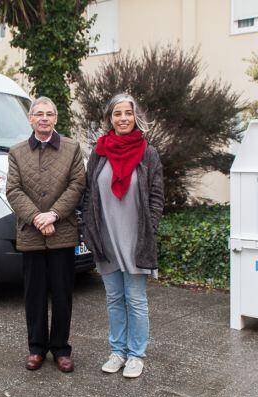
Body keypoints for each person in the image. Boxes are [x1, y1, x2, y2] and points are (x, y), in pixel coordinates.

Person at [81, 93, 164, 378]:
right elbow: (89, 192)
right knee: (114, 298)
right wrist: (89, 229)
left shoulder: (147, 152)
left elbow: (156, 196)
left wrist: (149, 231)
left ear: (135, 116)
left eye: (128, 113)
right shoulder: (99, 152)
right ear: (110, 119)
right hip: (107, 237)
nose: (123, 118)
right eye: (118, 113)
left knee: (136, 299)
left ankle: (136, 355)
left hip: (135, 238)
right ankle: (118, 352)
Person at [6, 96, 86, 373]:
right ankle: (36, 348)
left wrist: (53, 215)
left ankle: (61, 349)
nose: (44, 118)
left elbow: (77, 184)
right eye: (38, 114)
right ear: (30, 119)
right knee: (34, 295)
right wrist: (36, 218)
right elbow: (13, 190)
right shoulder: (16, 152)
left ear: (56, 118)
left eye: (49, 114)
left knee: (63, 294)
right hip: (31, 234)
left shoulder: (72, 148)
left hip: (62, 232)